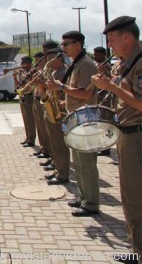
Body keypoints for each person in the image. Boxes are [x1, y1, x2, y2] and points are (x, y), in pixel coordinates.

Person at [92, 16, 142, 262]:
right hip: (128, 134)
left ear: (127, 37)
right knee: (130, 196)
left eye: (112, 40)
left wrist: (112, 87)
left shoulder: (141, 64)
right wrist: (111, 82)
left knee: (136, 197)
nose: (109, 46)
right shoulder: (128, 63)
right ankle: (136, 248)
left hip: (138, 136)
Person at [47, 31, 99, 217]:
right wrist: (64, 102)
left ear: (78, 44)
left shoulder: (85, 65)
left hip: (86, 119)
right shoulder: (77, 64)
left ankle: (91, 203)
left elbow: (85, 94)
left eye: (66, 44)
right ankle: (83, 197)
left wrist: (60, 87)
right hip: (76, 117)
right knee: (78, 162)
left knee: (86, 164)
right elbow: (77, 92)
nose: (63, 48)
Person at [42, 47, 70, 185]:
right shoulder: (55, 72)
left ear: (58, 58)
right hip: (53, 108)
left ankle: (63, 173)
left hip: (60, 110)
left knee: (60, 144)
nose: (48, 62)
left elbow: (61, 91)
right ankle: (58, 170)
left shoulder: (64, 72)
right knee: (54, 143)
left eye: (50, 59)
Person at [13, 57, 36, 147]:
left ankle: (31, 139)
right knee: (25, 118)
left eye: (23, 63)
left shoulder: (32, 72)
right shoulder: (23, 72)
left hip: (30, 96)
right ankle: (28, 137)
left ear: (29, 63)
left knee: (30, 119)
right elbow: (19, 85)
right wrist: (15, 78)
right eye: (21, 63)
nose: (22, 65)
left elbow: (32, 85)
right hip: (23, 95)